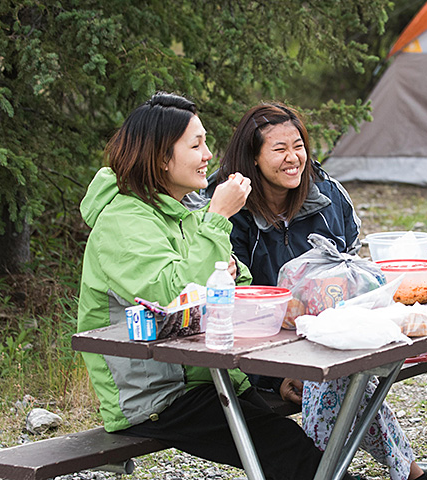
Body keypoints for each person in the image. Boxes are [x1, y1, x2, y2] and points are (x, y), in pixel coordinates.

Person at [77, 92, 341, 480]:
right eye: (196, 144)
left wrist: (275, 376)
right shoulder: (122, 220)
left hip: (209, 374)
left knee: (304, 441)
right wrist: (218, 216)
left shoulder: (182, 208)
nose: (207, 155)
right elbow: (171, 294)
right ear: (161, 156)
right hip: (159, 393)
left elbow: (238, 286)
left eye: (206, 142)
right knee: (287, 449)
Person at [219, 102, 427, 480]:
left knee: (339, 374)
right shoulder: (230, 212)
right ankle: (400, 473)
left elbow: (352, 273)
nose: (293, 158)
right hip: (265, 348)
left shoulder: (327, 196)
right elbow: (231, 308)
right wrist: (273, 378)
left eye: (298, 146)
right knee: (338, 378)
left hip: (331, 337)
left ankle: (349, 472)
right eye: (279, 149)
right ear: (252, 157)